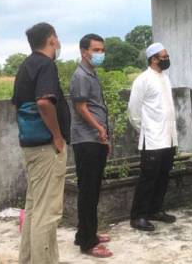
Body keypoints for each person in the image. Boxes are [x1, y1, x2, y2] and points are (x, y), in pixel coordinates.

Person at [11, 22, 70, 264]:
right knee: (47, 214)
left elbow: (17, 105)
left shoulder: (26, 66)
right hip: (46, 149)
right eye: (57, 38)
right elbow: (45, 102)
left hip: (30, 146)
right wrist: (57, 135)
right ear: (52, 40)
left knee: (34, 210)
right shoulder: (46, 65)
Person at [69, 34, 113, 258]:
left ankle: (86, 233)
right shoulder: (80, 76)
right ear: (83, 51)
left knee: (92, 190)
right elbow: (81, 107)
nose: (99, 54)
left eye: (101, 50)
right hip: (87, 139)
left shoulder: (91, 73)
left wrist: (103, 135)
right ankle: (88, 242)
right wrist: (99, 128)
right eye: (95, 50)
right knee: (88, 191)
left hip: (95, 138)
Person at [128, 42, 177, 231]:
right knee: (148, 178)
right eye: (164, 56)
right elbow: (133, 110)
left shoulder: (165, 77)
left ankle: (155, 210)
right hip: (153, 137)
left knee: (163, 176)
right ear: (153, 59)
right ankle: (138, 216)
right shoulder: (143, 79)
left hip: (169, 136)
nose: (167, 58)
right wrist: (145, 129)